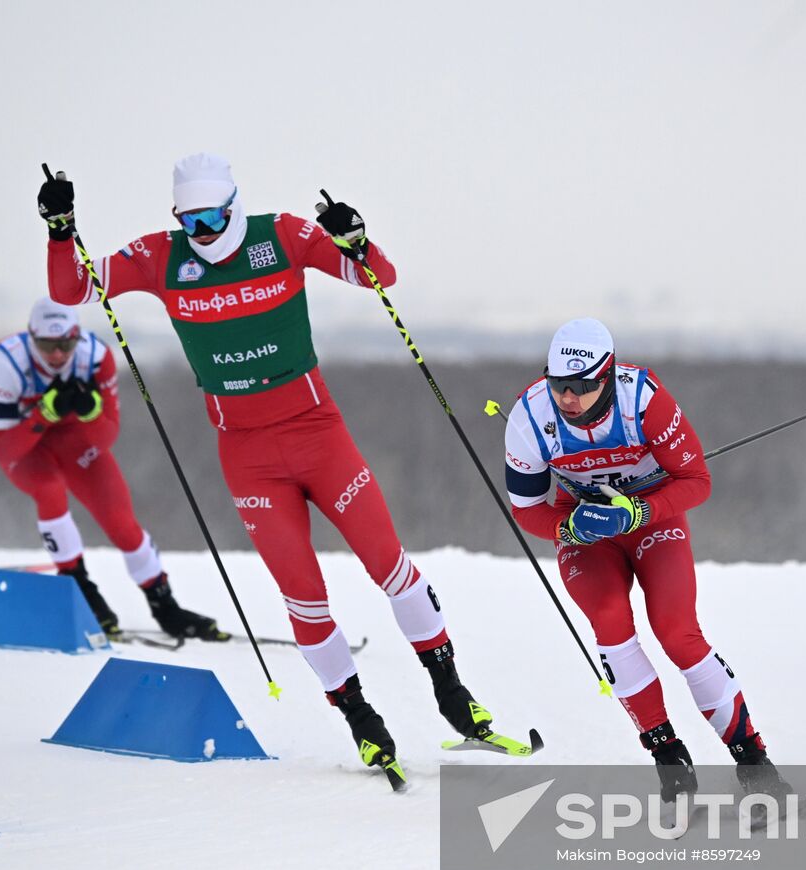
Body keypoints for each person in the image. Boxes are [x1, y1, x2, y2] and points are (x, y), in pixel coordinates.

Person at [37, 153, 523, 783]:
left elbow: (379, 277)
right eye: (190, 221)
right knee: (303, 597)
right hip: (248, 456)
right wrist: (60, 230)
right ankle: (361, 720)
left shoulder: (283, 235)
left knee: (389, 565)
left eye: (212, 218)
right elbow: (72, 290)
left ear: (233, 206)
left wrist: (355, 239)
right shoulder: (162, 256)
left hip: (318, 435)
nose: (202, 233)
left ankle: (454, 696)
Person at [503, 317, 790, 801]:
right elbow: (526, 509)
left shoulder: (643, 401)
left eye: (582, 386)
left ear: (608, 375)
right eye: (558, 384)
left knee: (677, 632)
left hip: (652, 518)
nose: (568, 397)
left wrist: (638, 512)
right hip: (585, 528)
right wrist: (568, 527)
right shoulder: (529, 418)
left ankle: (755, 764)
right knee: (611, 621)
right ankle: (669, 759)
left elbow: (697, 482)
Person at [0, 297, 221, 641]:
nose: (57, 354)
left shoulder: (94, 356)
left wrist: (91, 411)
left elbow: (107, 436)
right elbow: (5, 449)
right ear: (30, 337)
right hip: (29, 448)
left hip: (75, 443)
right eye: (46, 345)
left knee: (122, 522)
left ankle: (165, 607)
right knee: (49, 491)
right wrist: (43, 414)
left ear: (77, 336)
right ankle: (81, 590)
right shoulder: (7, 361)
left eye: (66, 343)